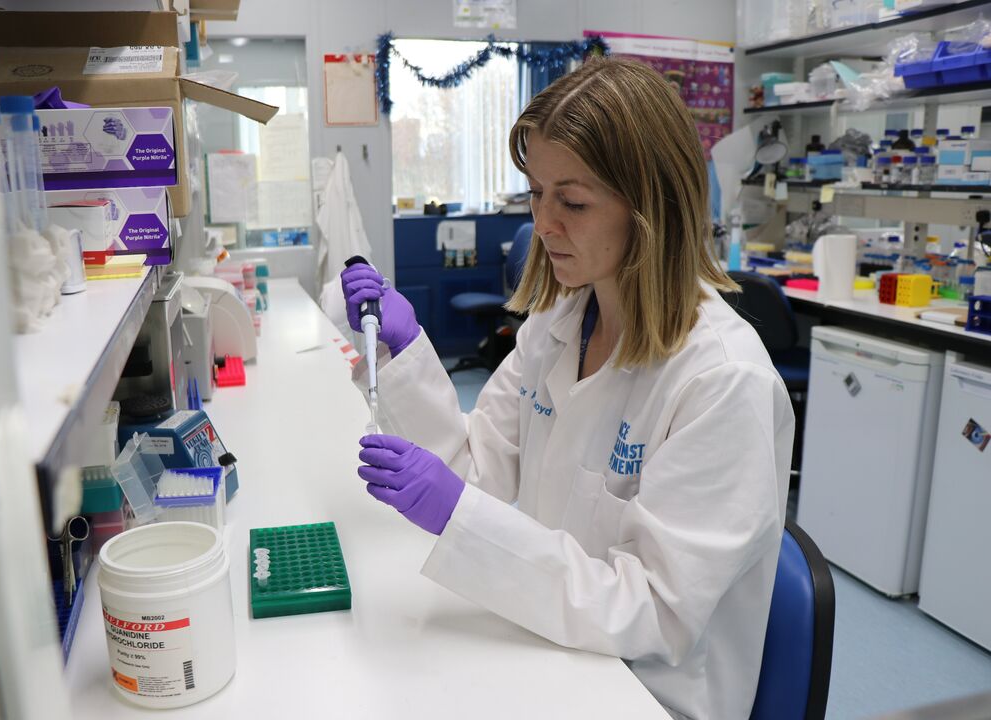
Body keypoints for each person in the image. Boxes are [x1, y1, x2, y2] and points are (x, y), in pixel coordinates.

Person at [340, 56, 794, 720]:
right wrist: (408, 356)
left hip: (644, 691)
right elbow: (479, 474)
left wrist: (459, 517)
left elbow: (656, 614)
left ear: (651, 209)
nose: (544, 224)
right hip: (550, 642)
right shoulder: (559, 325)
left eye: (573, 201)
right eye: (537, 193)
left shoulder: (722, 382)